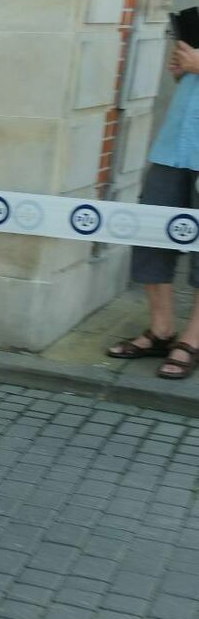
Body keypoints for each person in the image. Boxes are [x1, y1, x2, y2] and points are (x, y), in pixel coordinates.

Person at [107, 39, 199, 378]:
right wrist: (183, 70)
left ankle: (192, 340)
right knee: (150, 236)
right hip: (174, 146)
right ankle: (161, 331)